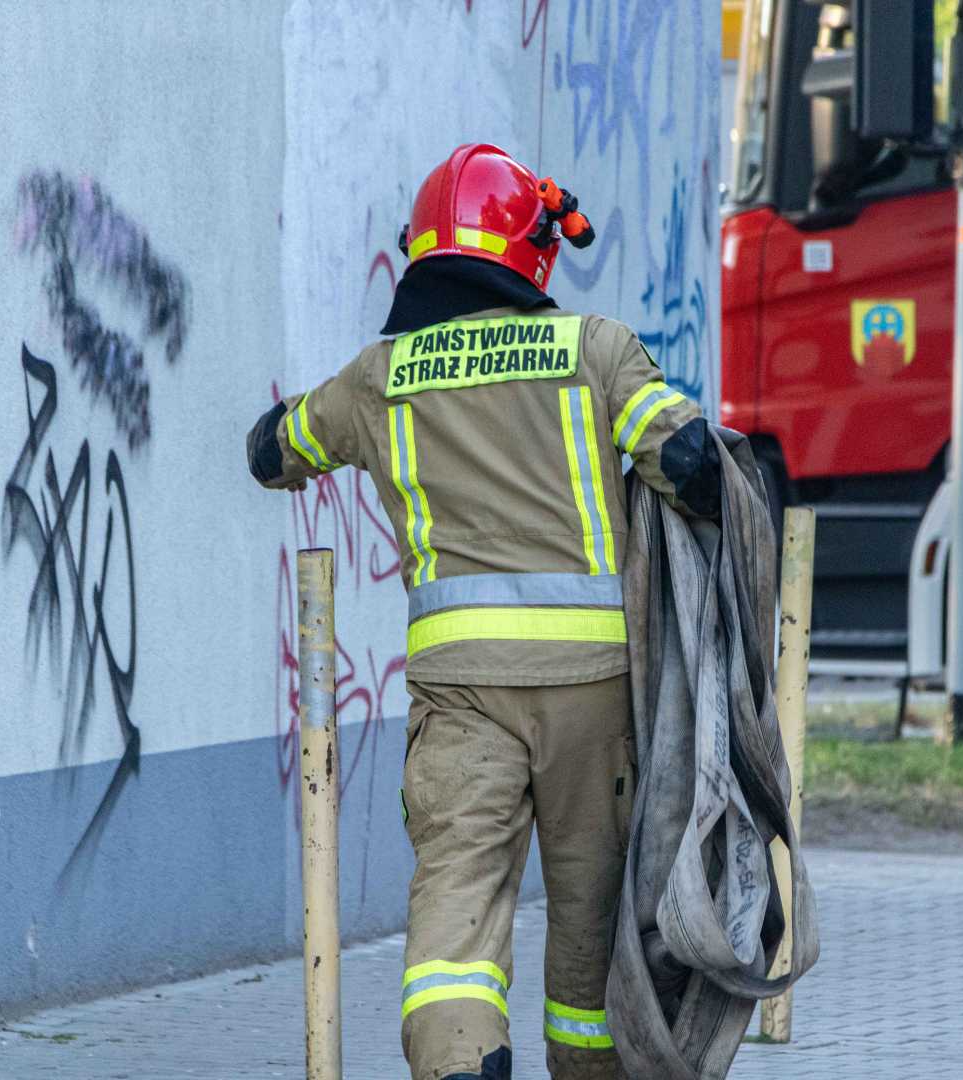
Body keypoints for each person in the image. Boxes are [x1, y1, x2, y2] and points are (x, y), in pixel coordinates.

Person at [246, 143, 717, 1080]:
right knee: (592, 921)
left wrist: (286, 431)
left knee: (456, 909)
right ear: (534, 251)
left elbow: (273, 451)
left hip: (459, 697)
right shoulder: (594, 349)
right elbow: (691, 462)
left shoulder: (378, 378)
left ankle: (459, 1065)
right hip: (594, 695)